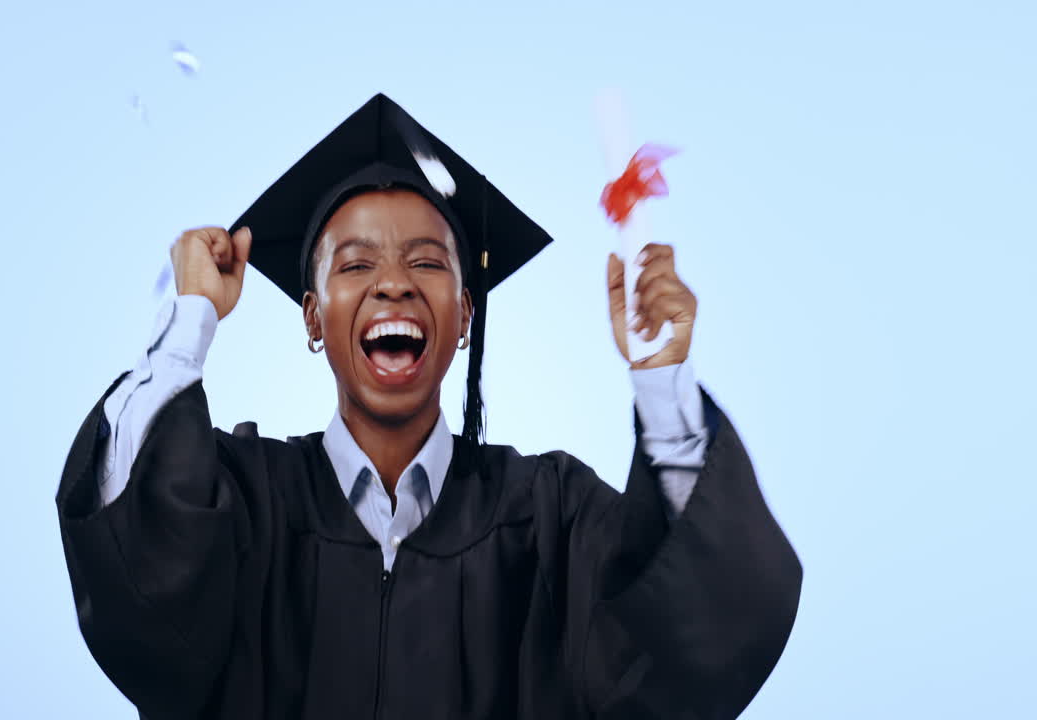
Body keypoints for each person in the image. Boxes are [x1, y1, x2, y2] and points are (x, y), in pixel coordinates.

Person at [55, 94, 801, 720]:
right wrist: (192, 320)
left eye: (426, 262)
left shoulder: (550, 518)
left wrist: (662, 384)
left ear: (465, 313)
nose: (393, 285)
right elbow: (139, 591)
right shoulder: (247, 503)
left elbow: (698, 637)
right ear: (313, 318)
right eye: (355, 265)